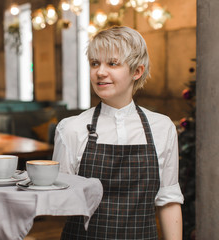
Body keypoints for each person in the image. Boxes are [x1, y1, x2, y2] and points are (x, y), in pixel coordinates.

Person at [53, 26, 184, 239]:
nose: (100, 72)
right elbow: (59, 202)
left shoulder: (162, 128)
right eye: (95, 63)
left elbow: (168, 200)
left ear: (137, 71)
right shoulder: (71, 128)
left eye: (112, 63)